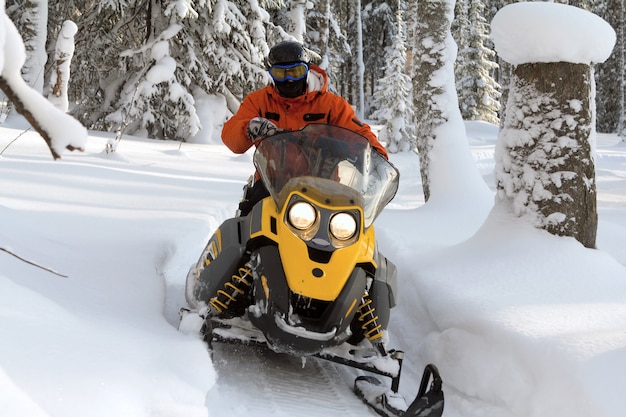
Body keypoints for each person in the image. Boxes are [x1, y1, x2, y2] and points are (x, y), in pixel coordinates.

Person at [221, 40, 388, 215]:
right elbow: (232, 138)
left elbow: (360, 133)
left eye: (296, 71)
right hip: (271, 185)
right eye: (280, 73)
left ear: (307, 70)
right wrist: (248, 127)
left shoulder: (331, 105)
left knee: (350, 231)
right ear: (271, 74)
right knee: (247, 227)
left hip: (324, 188)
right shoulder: (259, 102)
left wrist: (375, 157)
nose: (289, 79)